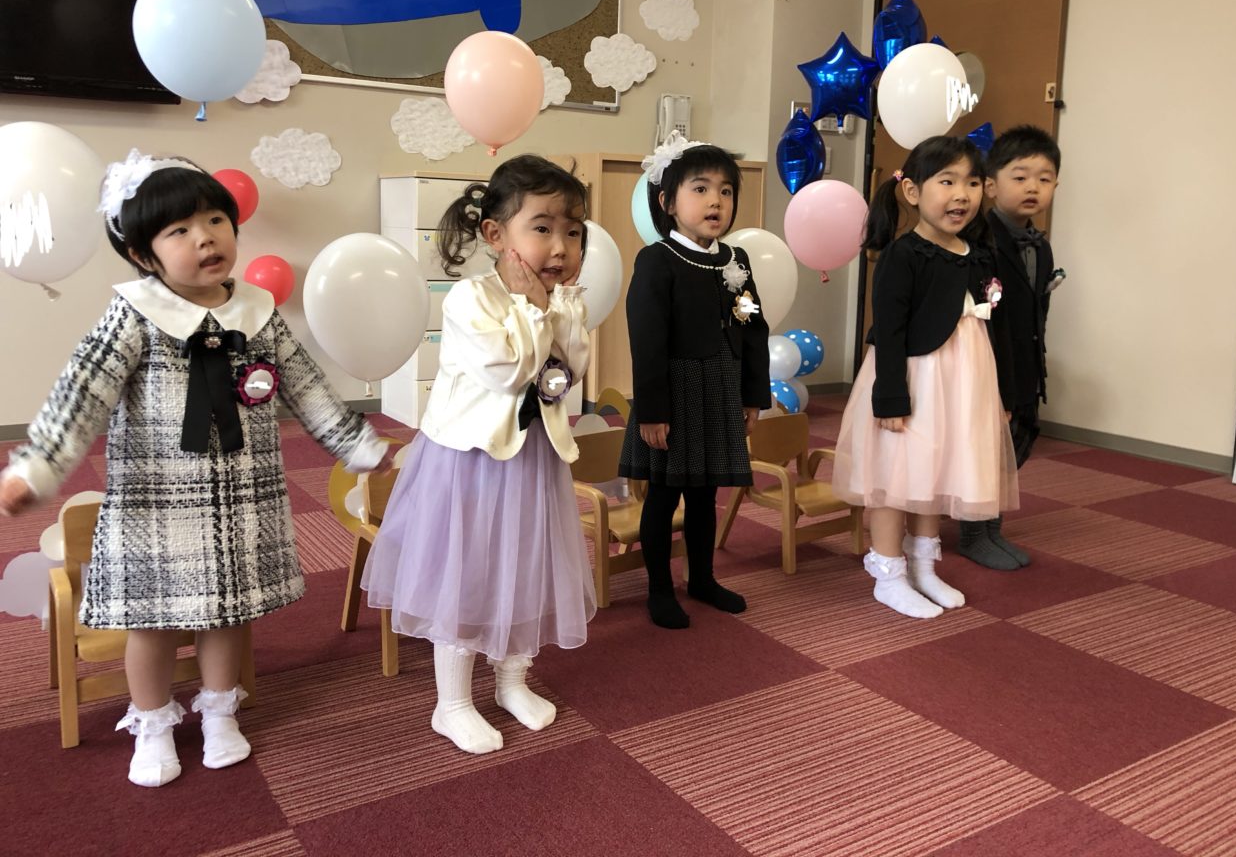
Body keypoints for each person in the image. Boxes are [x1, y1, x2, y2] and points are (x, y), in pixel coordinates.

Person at [0, 150, 389, 787]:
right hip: (155, 498)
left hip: (243, 492)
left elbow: (307, 387)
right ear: (143, 254)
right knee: (152, 621)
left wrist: (356, 443)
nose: (205, 238)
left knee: (228, 612)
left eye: (214, 220)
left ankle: (219, 712)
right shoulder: (133, 315)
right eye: (179, 230)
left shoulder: (257, 311)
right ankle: (153, 724)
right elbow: (81, 396)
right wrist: (37, 467)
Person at [361, 155, 596, 755]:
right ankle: (453, 703)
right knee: (467, 574)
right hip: (472, 462)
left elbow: (570, 370)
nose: (560, 246)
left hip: (533, 457)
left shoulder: (563, 299)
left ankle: (512, 680)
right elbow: (509, 370)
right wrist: (531, 307)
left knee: (526, 566)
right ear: (495, 234)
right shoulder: (470, 299)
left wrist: (556, 311)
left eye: (573, 232)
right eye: (542, 228)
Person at [832, 136, 1018, 619]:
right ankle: (888, 573)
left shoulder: (980, 253)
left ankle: (923, 566)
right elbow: (889, 332)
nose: (961, 195)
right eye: (947, 181)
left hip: (963, 384)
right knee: (897, 475)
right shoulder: (904, 254)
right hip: (914, 380)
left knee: (935, 472)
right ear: (913, 192)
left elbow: (995, 326)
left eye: (972, 183)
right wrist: (891, 396)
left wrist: (1002, 394)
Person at [619, 134, 770, 630]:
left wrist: (752, 395)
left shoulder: (736, 260)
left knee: (706, 495)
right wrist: (653, 411)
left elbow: (752, 325)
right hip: (675, 392)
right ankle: (659, 591)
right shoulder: (657, 260)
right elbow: (647, 341)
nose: (715, 202)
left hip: (720, 390)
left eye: (725, 191)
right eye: (701, 189)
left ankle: (702, 578)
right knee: (664, 497)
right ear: (668, 202)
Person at [958, 125, 1062, 569]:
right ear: (991, 185)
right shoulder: (978, 243)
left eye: (1044, 178)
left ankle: (991, 527)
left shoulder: (1041, 247)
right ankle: (973, 533)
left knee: (1014, 445)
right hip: (986, 361)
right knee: (984, 449)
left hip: (1025, 362)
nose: (1032, 187)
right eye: (1020, 177)